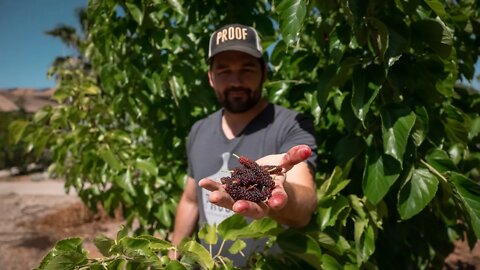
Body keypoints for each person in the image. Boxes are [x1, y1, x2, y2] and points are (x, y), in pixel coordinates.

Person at [169, 23, 318, 267]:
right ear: (210, 77)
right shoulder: (199, 130)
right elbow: (191, 200)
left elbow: (304, 207)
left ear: (264, 72)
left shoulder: (292, 125)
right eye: (224, 71)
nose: (236, 81)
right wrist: (172, 256)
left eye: (247, 69)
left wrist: (277, 190)